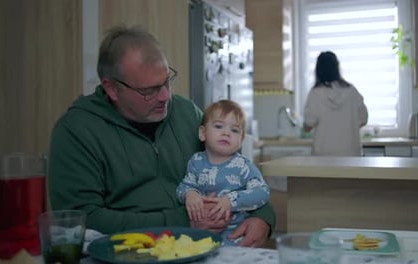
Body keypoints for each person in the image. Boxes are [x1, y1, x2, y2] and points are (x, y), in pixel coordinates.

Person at [47, 25, 275, 247]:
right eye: (149, 91)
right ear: (112, 89)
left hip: (206, 248)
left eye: (167, 81)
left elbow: (238, 171)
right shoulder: (76, 132)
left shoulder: (187, 113)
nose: (165, 96)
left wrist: (263, 217)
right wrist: (182, 222)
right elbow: (83, 220)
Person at [176, 100, 270, 246]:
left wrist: (230, 201)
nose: (226, 133)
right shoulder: (196, 161)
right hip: (201, 239)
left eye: (234, 130)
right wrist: (190, 194)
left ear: (241, 140)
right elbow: (183, 187)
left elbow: (262, 192)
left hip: (234, 238)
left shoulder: (243, 166)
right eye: (219, 126)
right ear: (202, 133)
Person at [303, 51, 368, 156]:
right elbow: (363, 119)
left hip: (323, 156)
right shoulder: (352, 92)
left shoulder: (315, 94)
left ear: (318, 70)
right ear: (337, 68)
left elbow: (308, 125)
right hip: (350, 155)